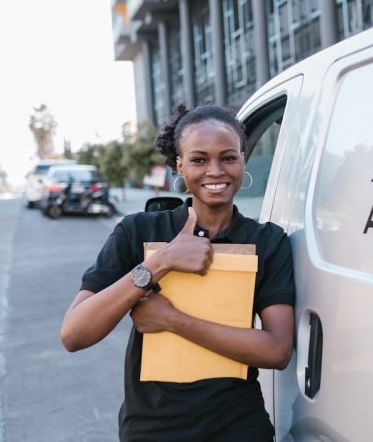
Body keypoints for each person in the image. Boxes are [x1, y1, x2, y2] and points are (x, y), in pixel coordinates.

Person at [60, 104, 295, 441]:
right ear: (178, 165)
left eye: (228, 157)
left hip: (239, 428)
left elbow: (277, 350)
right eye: (199, 160)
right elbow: (74, 334)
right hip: (153, 429)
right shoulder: (137, 231)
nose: (215, 171)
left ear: (244, 160)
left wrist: (172, 320)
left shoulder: (268, 242)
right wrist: (160, 262)